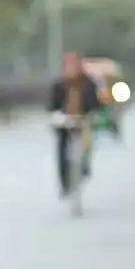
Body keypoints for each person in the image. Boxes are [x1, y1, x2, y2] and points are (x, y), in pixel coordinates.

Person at [47, 52, 104, 197]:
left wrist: (92, 114)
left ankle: (84, 168)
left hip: (83, 121)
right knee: (61, 147)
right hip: (65, 122)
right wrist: (57, 116)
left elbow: (96, 104)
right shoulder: (59, 85)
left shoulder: (88, 83)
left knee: (87, 144)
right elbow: (52, 106)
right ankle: (65, 183)